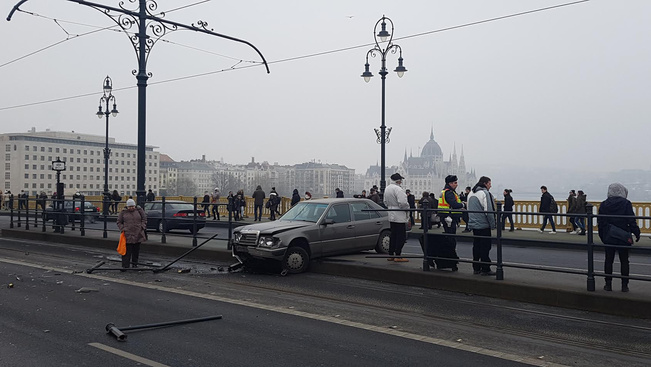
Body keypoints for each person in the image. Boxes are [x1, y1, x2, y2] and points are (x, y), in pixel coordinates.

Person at [597, 183, 640, 292]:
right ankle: (624, 286)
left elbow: (600, 222)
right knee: (624, 261)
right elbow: (631, 220)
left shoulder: (604, 204)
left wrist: (602, 236)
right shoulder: (626, 203)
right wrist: (636, 232)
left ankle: (608, 284)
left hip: (609, 236)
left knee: (608, 260)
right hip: (623, 236)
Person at [467, 176, 497, 275]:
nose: (490, 185)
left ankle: (476, 267)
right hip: (483, 225)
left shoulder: (471, 193)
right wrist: (493, 224)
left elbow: (468, 209)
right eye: (489, 183)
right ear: (485, 184)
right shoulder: (485, 193)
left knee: (476, 246)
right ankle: (485, 268)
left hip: (474, 224)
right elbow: (489, 211)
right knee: (485, 247)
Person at [383, 173, 410, 262]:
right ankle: (398, 255)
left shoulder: (387, 188)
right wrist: (407, 209)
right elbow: (402, 203)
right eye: (401, 180)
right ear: (398, 181)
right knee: (401, 236)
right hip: (399, 214)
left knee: (393, 235)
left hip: (391, 213)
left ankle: (391, 254)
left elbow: (385, 202)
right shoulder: (398, 189)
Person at [116, 198, 147, 269]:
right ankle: (125, 265)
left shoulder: (139, 211)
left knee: (136, 250)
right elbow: (119, 221)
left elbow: (144, 219)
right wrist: (123, 229)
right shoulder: (123, 212)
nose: (131, 208)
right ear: (127, 206)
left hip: (138, 233)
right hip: (127, 234)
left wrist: (142, 227)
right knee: (127, 251)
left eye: (132, 206)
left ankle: (134, 264)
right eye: (130, 207)